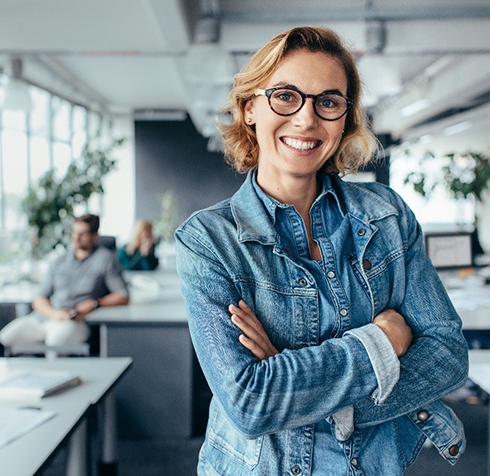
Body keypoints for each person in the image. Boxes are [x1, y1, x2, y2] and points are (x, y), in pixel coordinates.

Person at [174, 26, 468, 475]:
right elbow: (250, 403)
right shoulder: (210, 241)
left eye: (328, 102)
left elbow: (446, 354)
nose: (307, 120)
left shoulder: (386, 216)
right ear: (251, 107)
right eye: (285, 96)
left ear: (345, 119)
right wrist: (382, 341)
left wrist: (312, 396)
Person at [0, 214, 129, 349]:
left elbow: (122, 295)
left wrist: (95, 303)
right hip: (46, 316)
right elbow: (39, 299)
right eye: (74, 232)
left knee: (55, 343)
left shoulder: (106, 259)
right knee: (5, 338)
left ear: (95, 236)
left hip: (75, 321)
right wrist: (55, 314)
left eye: (82, 234)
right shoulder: (59, 260)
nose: (76, 238)